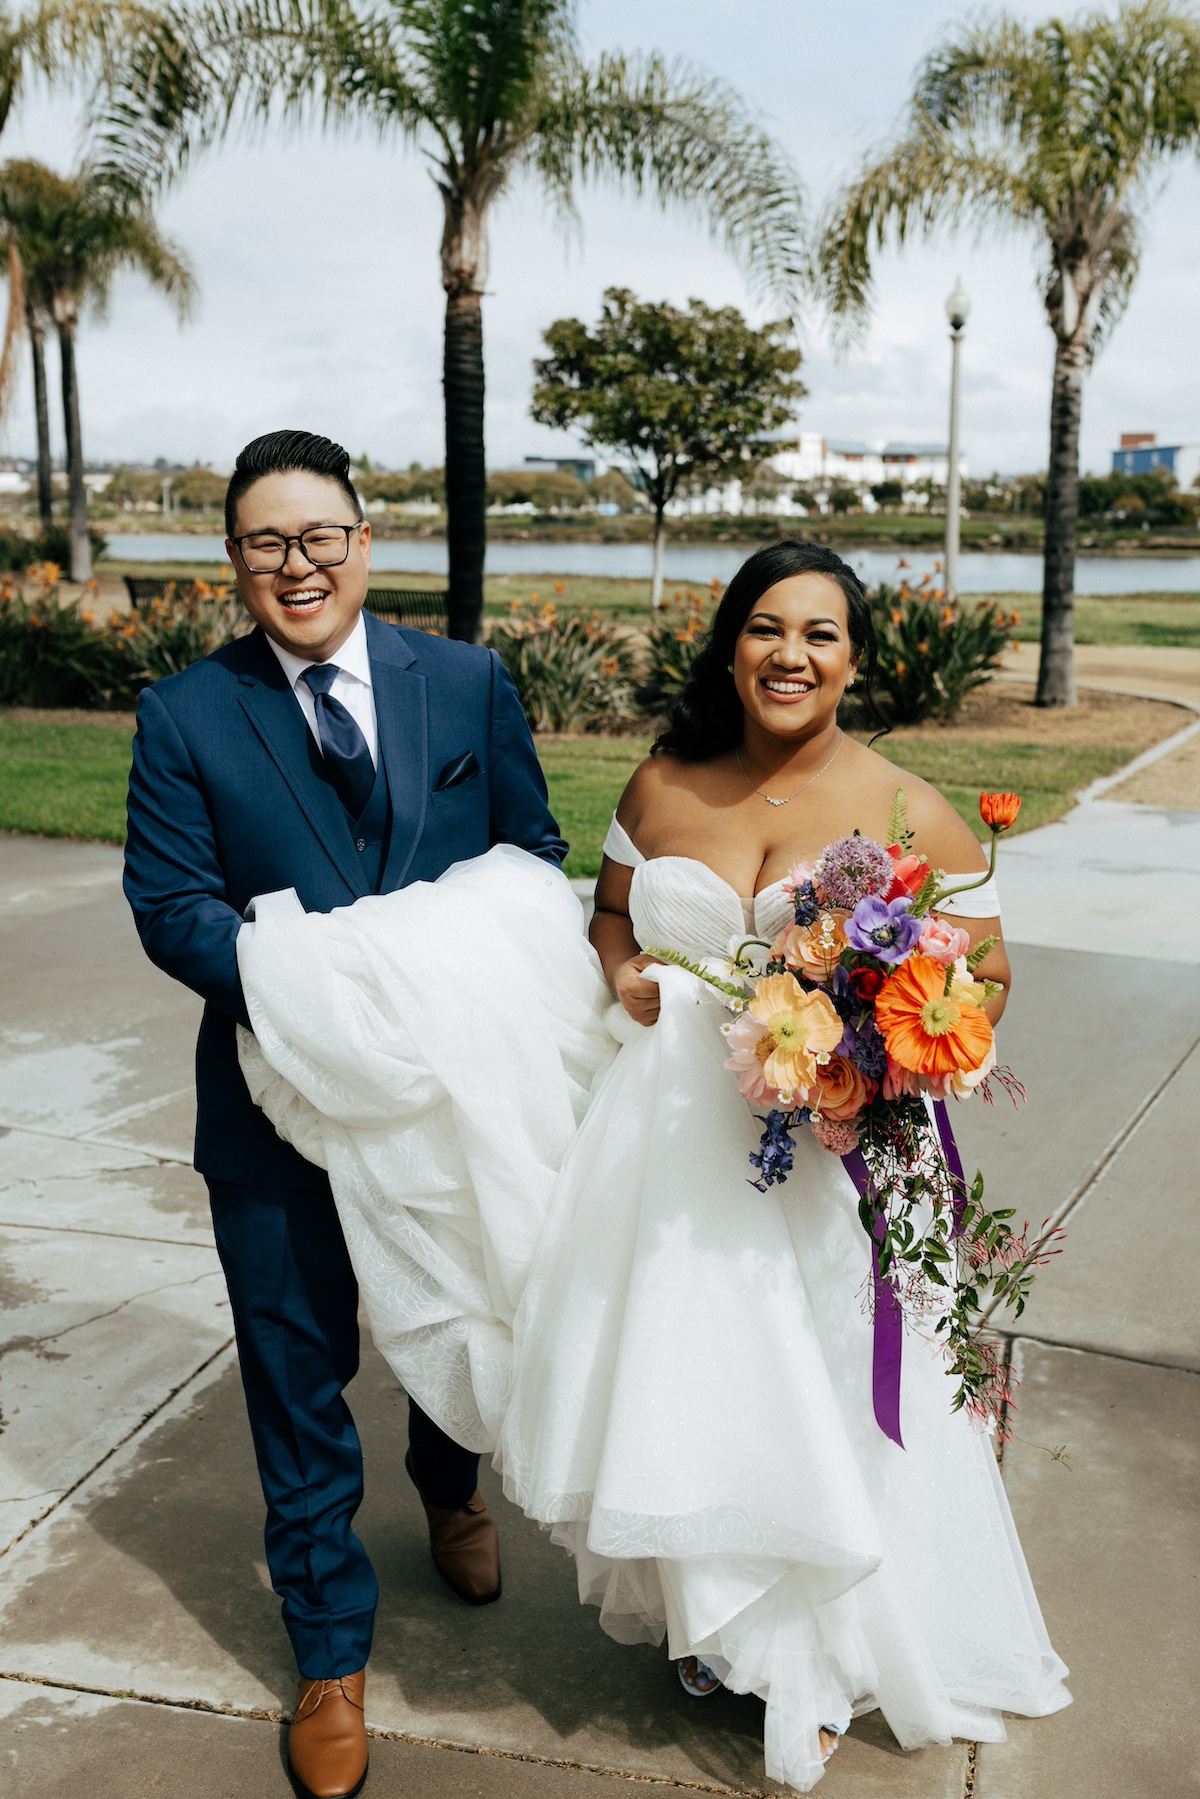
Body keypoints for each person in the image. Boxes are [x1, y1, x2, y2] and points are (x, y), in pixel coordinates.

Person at [496, 540, 1071, 1790]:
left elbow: (986, 976)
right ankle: (720, 1608)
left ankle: (811, 1652)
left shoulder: (907, 805)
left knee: (815, 1394)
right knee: (686, 1373)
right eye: (766, 627)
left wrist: (883, 1034)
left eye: (819, 633)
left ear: (855, 658)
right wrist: (620, 970)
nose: (790, 654)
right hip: (665, 1145)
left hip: (825, 1156)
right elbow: (608, 909)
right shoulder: (660, 785)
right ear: (730, 643)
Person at [123, 429, 566, 1799]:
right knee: (294, 1369)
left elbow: (530, 855)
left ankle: (450, 1480)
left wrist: (448, 986)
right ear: (235, 564)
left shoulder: (471, 680)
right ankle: (327, 1651)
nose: (297, 563)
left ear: (368, 542)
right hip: (277, 1099)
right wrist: (332, 991)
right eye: (267, 542)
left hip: (449, 1096)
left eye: (321, 535)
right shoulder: (185, 714)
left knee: (465, 1297)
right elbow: (173, 907)